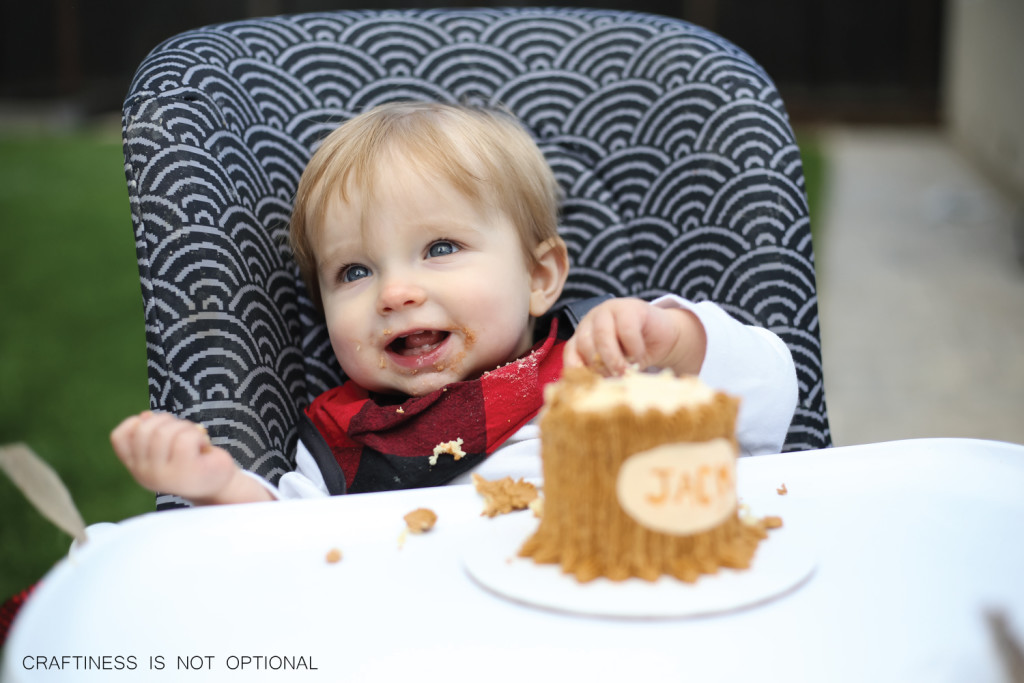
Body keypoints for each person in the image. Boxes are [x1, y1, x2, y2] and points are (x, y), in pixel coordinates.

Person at [110, 101, 797, 506]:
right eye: (354, 269)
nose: (396, 291)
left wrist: (679, 344)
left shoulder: (608, 361)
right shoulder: (348, 443)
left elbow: (770, 401)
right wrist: (223, 489)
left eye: (440, 248)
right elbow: (296, 549)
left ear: (539, 275)